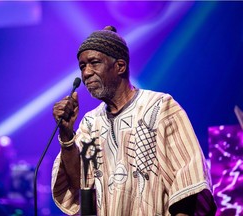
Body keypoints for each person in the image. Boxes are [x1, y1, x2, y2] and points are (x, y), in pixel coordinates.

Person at [51, 26, 217, 216]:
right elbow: (79, 182)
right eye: (82, 66)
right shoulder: (90, 122)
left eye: (94, 63)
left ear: (120, 66)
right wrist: (66, 133)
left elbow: (188, 184)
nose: (86, 73)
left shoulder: (160, 107)